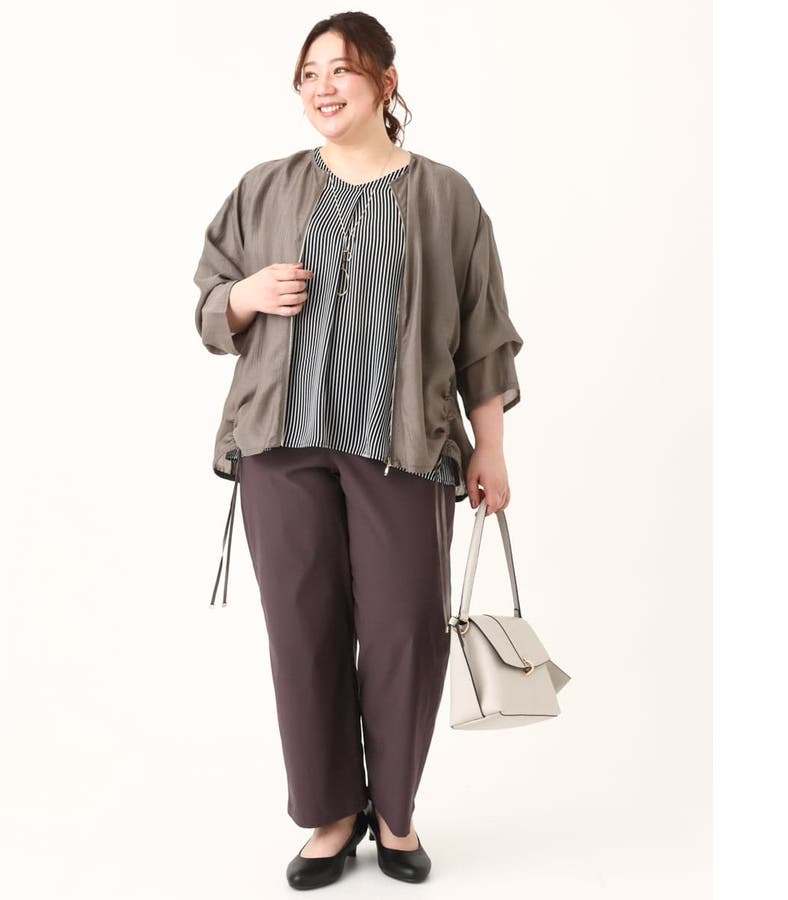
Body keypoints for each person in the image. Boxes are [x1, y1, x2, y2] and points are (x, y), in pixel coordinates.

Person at [193, 11, 523, 890]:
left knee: (406, 632)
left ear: (385, 81)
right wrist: (245, 295)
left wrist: (490, 448)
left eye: (339, 70)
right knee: (303, 636)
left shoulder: (447, 197)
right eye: (308, 75)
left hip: (404, 448)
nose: (322, 87)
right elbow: (209, 300)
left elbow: (484, 334)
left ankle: (396, 812)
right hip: (281, 446)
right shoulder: (265, 188)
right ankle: (332, 815)